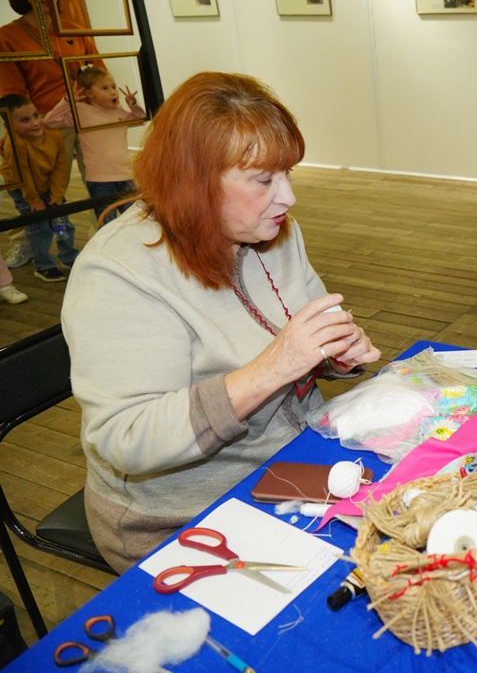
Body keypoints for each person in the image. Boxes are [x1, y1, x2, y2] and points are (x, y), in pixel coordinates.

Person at [60, 72, 381, 573]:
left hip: (289, 463)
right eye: (264, 180)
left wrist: (336, 353)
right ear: (195, 180)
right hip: (180, 516)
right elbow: (127, 437)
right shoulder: (120, 272)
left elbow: (315, 327)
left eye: (287, 174)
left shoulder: (271, 231)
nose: (288, 198)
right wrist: (274, 367)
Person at [0, 0, 101, 268]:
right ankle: (24, 244)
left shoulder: (74, 29)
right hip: (44, 122)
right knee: (39, 187)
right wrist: (26, 128)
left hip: (85, 113)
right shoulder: (7, 36)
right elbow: (11, 93)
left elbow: (97, 70)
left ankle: (103, 235)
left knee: (99, 177)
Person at [44, 65, 146, 223]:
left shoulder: (119, 112)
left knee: (134, 220)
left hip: (125, 176)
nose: (112, 91)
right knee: (106, 222)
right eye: (104, 88)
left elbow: (140, 119)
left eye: (113, 87)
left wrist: (133, 104)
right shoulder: (81, 111)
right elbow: (49, 121)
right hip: (99, 180)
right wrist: (67, 101)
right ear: (89, 93)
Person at [0, 93, 77, 283]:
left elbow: (60, 166)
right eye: (25, 120)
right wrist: (33, 200)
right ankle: (44, 265)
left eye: (36, 115)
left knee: (61, 222)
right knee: (38, 228)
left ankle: (68, 256)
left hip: (48, 185)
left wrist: (57, 194)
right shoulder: (15, 144)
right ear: (8, 127)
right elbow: (22, 175)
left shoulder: (54, 135)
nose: (35, 123)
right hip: (24, 189)